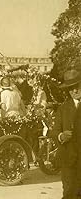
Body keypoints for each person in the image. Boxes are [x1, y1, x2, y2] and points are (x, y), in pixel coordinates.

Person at [51, 69, 81, 199]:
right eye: (71, 88)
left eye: (77, 87)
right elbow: (54, 131)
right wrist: (61, 136)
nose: (75, 91)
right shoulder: (63, 108)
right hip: (68, 158)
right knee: (69, 192)